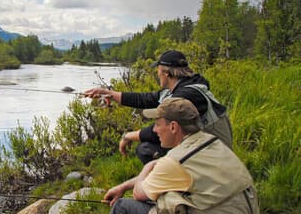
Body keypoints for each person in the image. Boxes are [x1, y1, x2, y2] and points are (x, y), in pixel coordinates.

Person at [69, 98, 259, 214]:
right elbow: (168, 176)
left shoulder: (176, 160)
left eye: (158, 124)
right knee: (161, 199)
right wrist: (123, 186)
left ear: (174, 127)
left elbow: (139, 194)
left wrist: (149, 166)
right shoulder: (210, 143)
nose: (155, 130)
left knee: (122, 211)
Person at [84, 50, 232, 164]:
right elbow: (145, 99)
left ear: (166, 73)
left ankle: (169, 186)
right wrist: (109, 93)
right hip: (206, 145)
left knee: (145, 149)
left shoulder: (185, 96)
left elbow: (160, 131)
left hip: (213, 155)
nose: (157, 73)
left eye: (158, 70)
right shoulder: (184, 87)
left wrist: (128, 135)